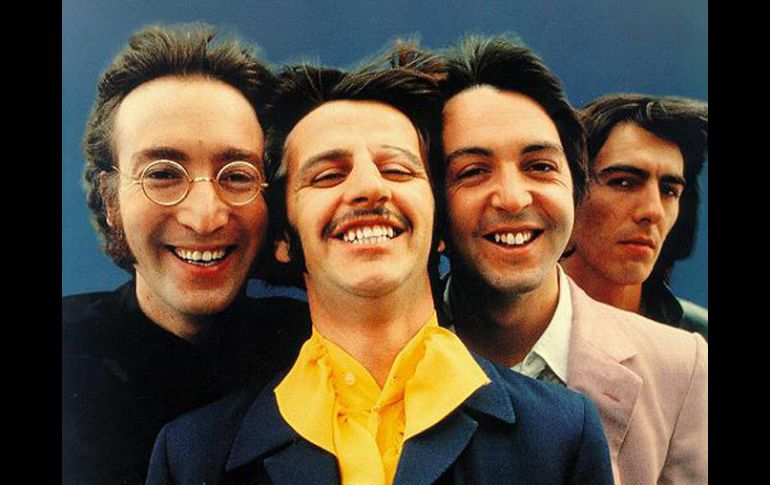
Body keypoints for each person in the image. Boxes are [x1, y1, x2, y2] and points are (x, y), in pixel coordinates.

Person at [146, 45, 614, 485]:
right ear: (285, 238)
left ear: (439, 226)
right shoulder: (193, 455)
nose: (369, 188)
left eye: (397, 170)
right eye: (328, 175)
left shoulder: (561, 434)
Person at [435, 36, 707, 484]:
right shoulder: (379, 360)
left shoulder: (682, 366)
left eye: (539, 166)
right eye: (473, 171)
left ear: (574, 188)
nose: (513, 198)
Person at [62, 24, 310, 485]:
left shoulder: (316, 347)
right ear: (111, 200)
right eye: (162, 174)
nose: (205, 217)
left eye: (236, 175)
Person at [562, 94, 708, 339]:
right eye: (623, 182)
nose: (653, 211)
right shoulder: (502, 331)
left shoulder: (699, 341)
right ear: (569, 189)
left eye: (669, 191)